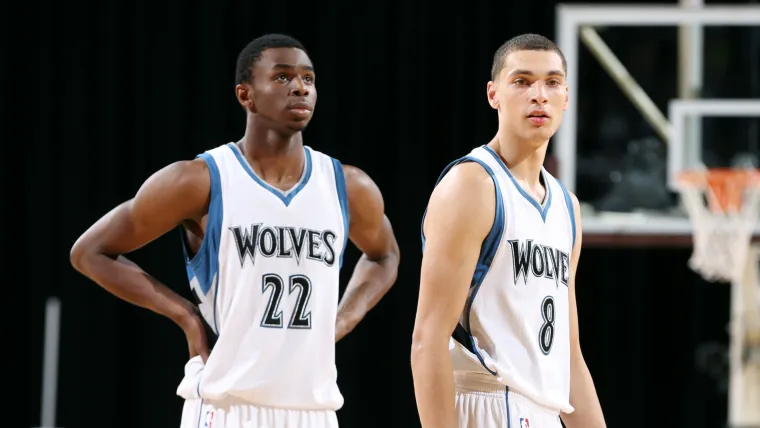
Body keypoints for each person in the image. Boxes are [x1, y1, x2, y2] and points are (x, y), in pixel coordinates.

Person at [70, 33, 400, 428]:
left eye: (308, 79)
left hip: (315, 410)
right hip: (226, 407)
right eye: (281, 77)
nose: (299, 87)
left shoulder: (347, 185)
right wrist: (186, 316)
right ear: (246, 95)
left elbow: (385, 255)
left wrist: (341, 321)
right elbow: (90, 252)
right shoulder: (200, 180)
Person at [411, 33, 606, 428]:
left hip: (545, 409)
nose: (539, 94)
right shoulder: (473, 185)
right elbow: (427, 340)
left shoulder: (568, 207)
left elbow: (569, 356)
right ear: (493, 94)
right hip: (485, 404)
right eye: (522, 81)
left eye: (552, 82)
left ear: (566, 97)